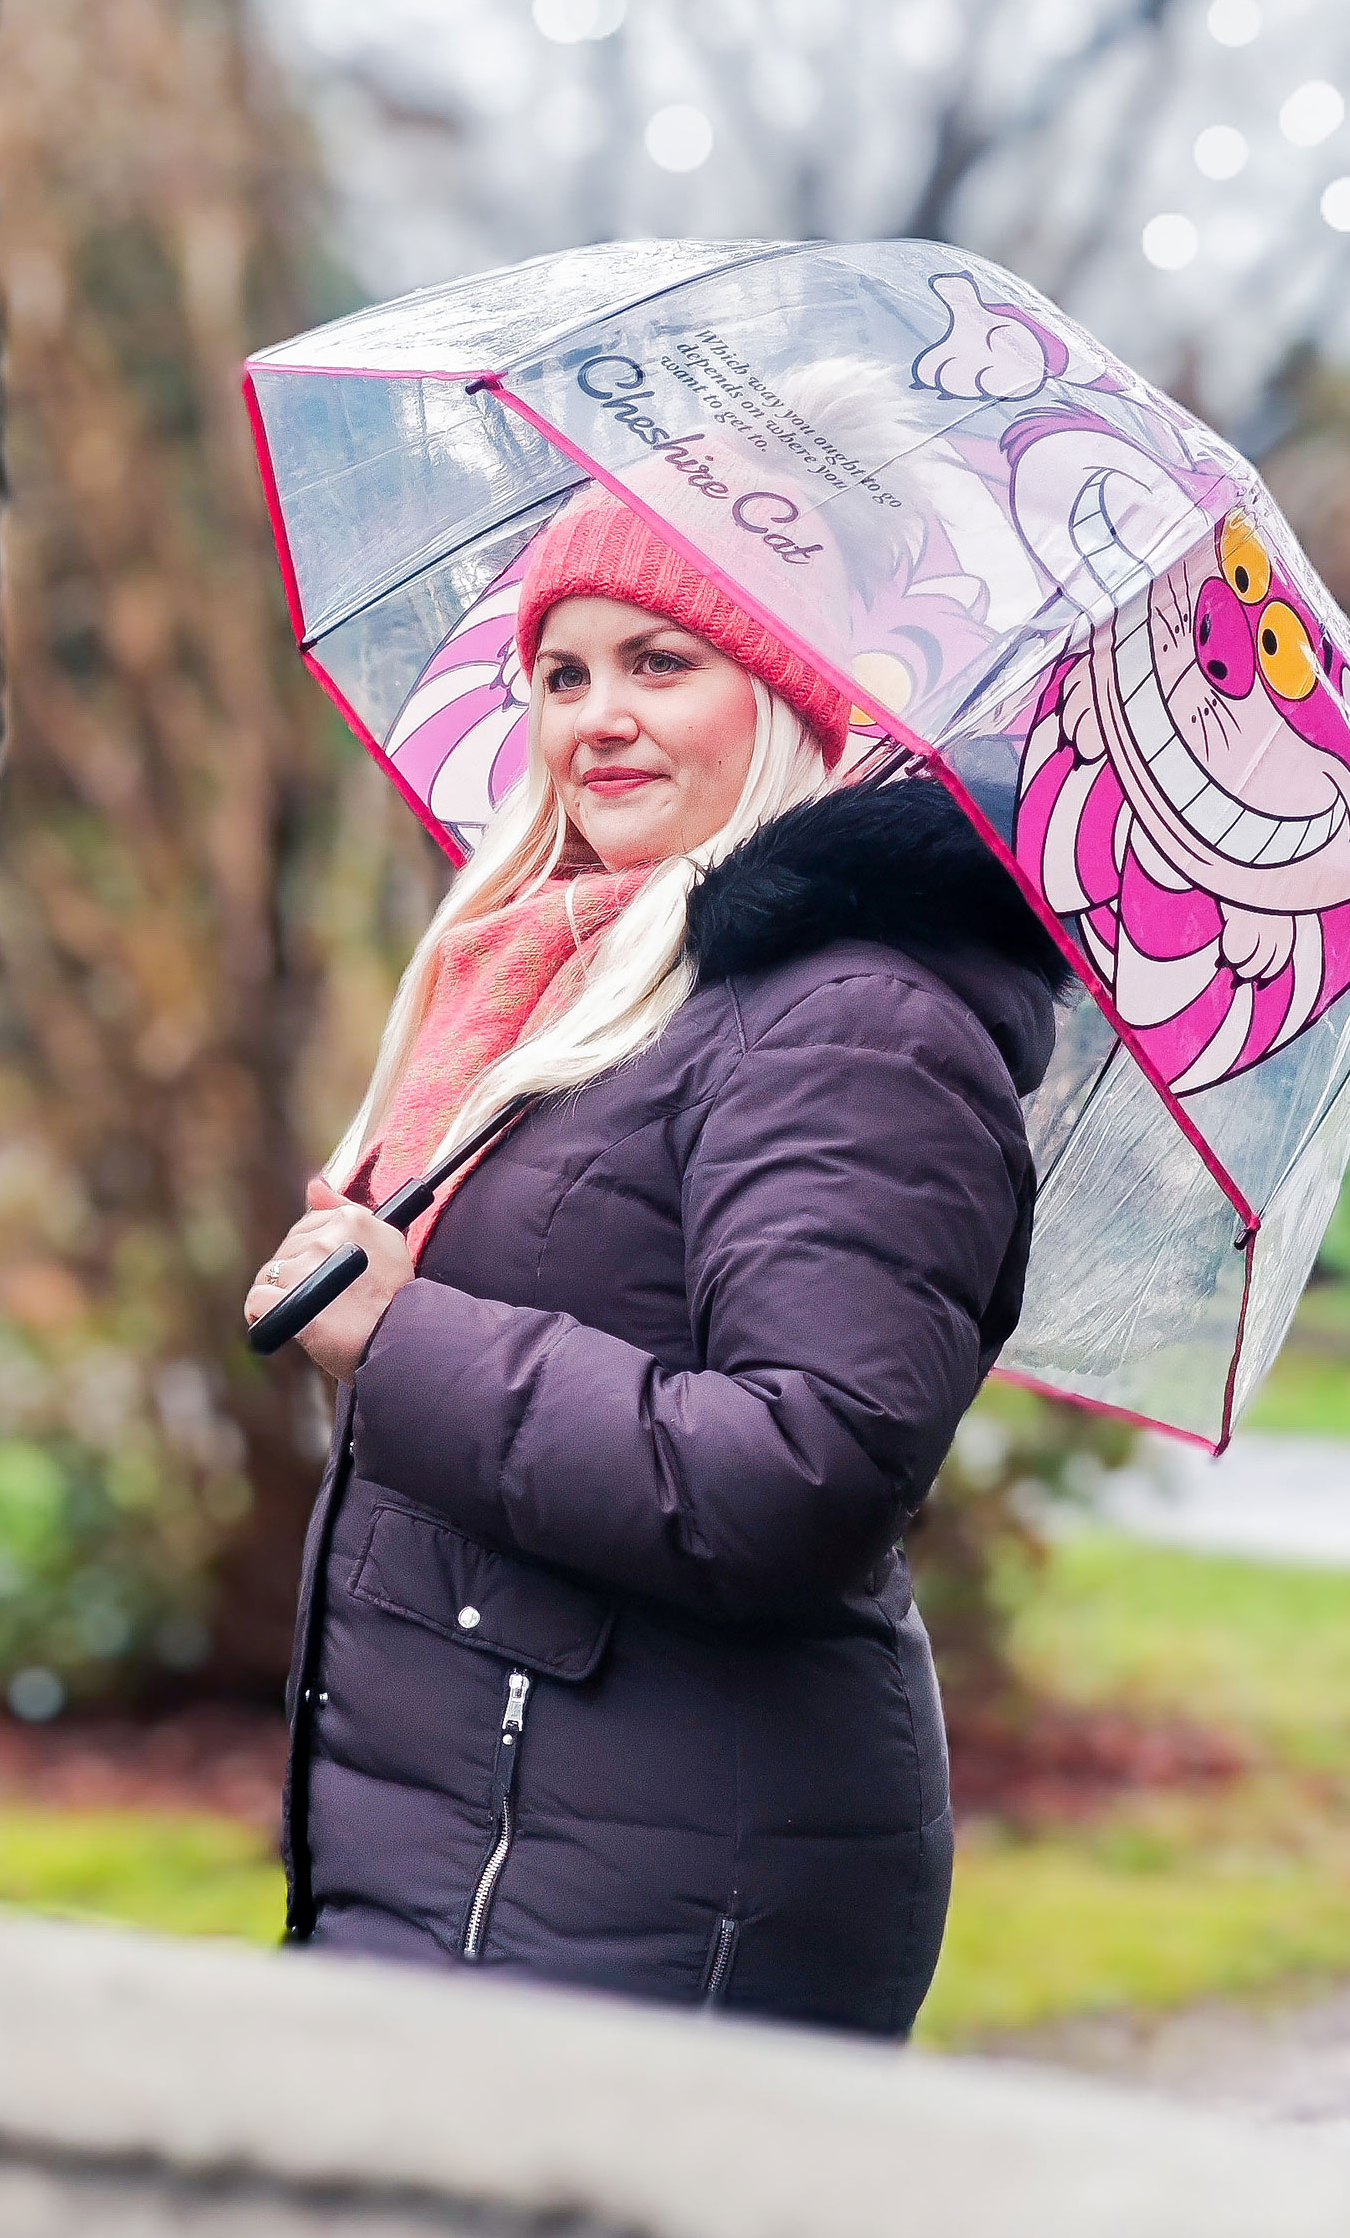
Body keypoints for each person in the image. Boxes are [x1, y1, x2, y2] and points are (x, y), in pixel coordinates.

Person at [245, 482, 1069, 2038]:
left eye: (662, 662)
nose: (595, 720)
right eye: (562, 674)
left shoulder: (853, 1026)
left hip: (658, 1893)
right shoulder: (595, 984)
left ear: (788, 688)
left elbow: (798, 1470)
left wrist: (401, 1338)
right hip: (495, 1844)